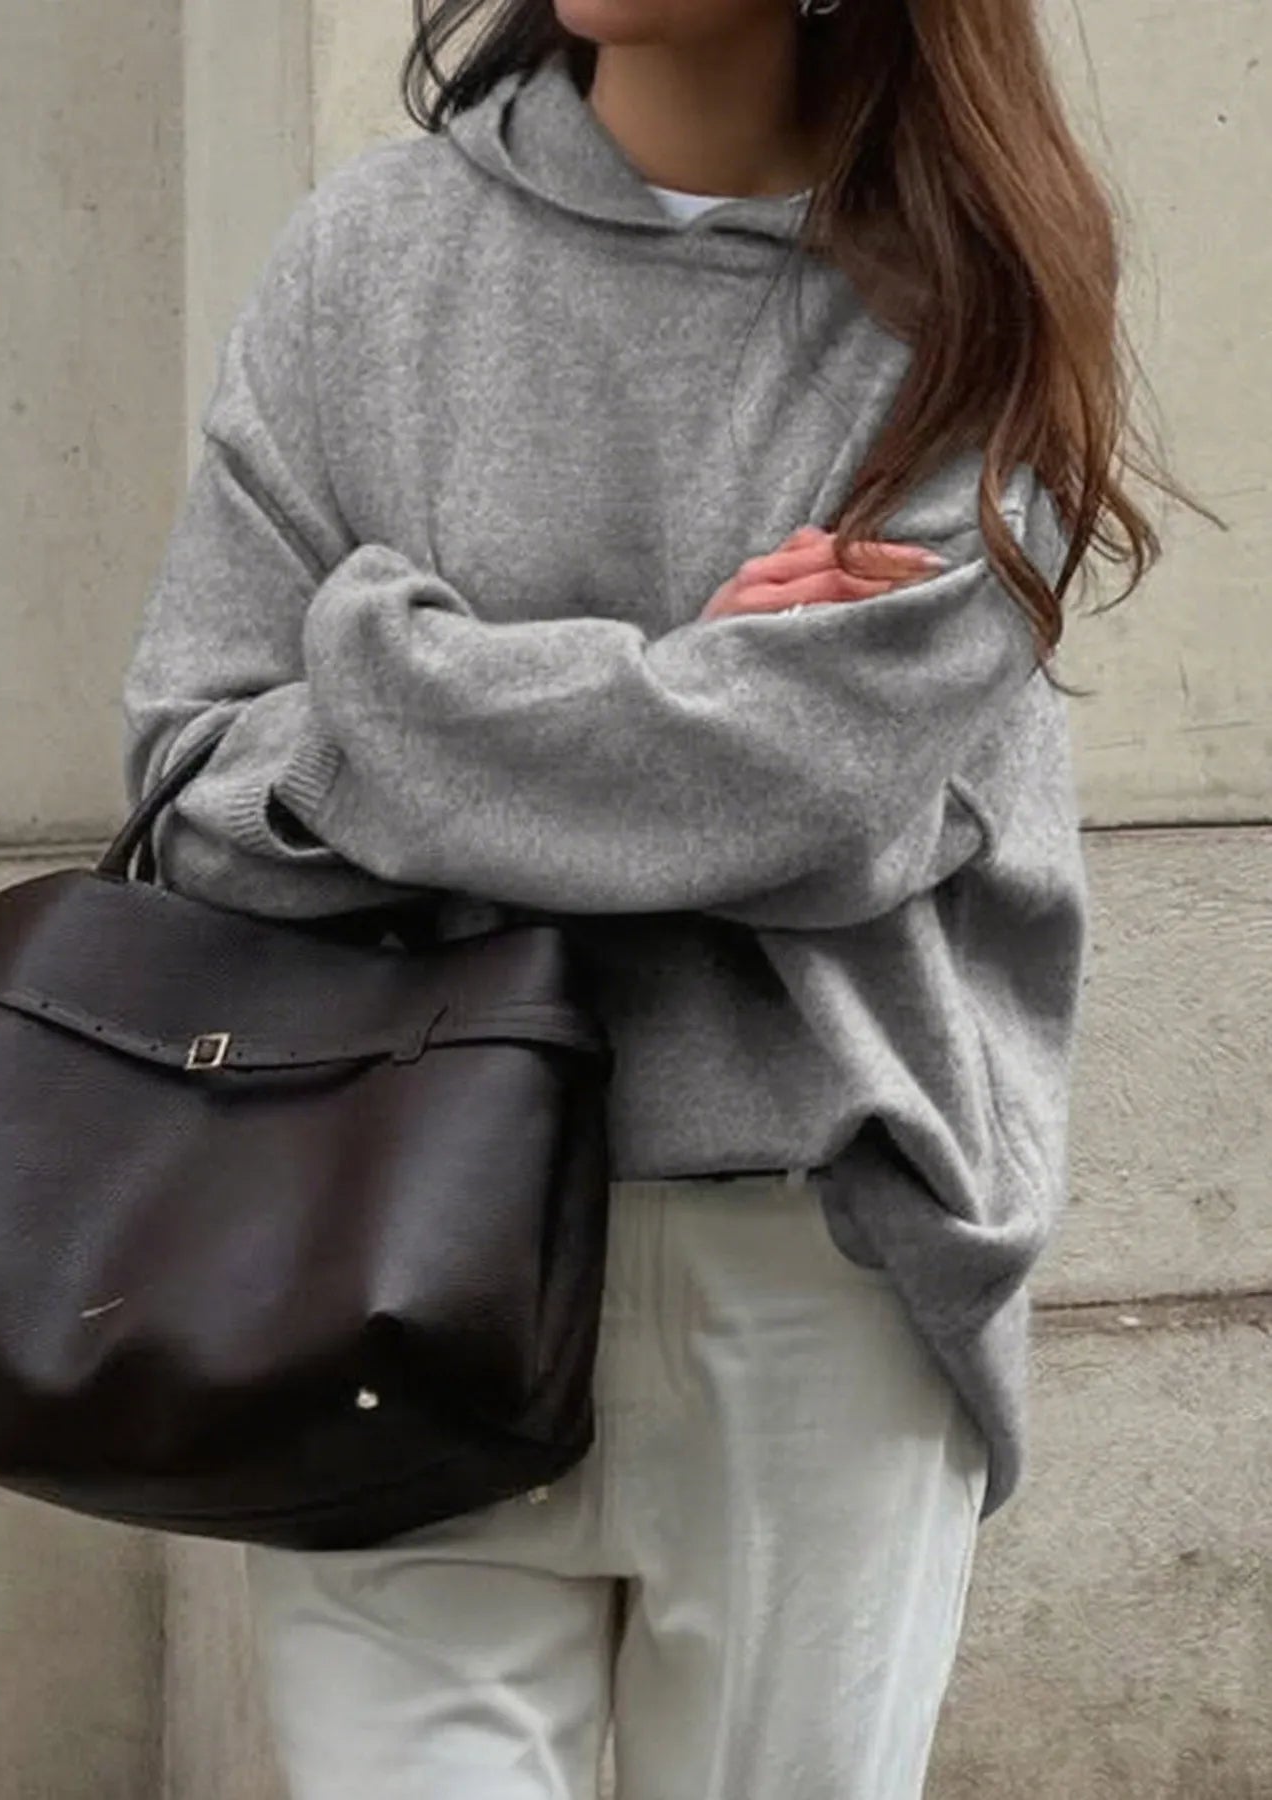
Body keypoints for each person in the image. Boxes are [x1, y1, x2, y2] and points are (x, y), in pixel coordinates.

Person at [121, 2, 1203, 1794]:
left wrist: (381, 684)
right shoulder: (369, 257)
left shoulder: (967, 295)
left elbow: (828, 783)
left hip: (822, 1260)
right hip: (375, 1241)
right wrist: (706, 706)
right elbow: (196, 783)